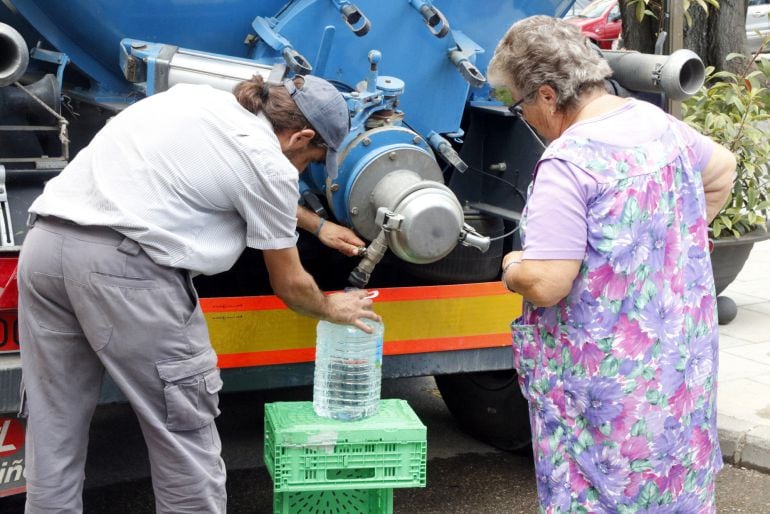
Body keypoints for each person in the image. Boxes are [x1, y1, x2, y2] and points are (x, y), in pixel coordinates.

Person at [17, 74, 380, 513]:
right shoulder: (269, 163)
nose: (306, 169)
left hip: (44, 250)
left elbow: (219, 178)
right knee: (182, 433)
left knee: (54, 424)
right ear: (301, 135)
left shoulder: (196, 99)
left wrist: (318, 225)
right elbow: (289, 285)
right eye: (313, 157)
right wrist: (330, 307)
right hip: (127, 272)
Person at [489, 16, 736, 513]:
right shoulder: (655, 122)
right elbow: (723, 169)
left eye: (517, 105)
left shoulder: (569, 162)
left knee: (604, 494)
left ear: (546, 96)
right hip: (676, 372)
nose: (524, 118)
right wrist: (676, 239)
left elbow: (548, 283)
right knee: (673, 486)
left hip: (607, 390)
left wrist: (513, 264)